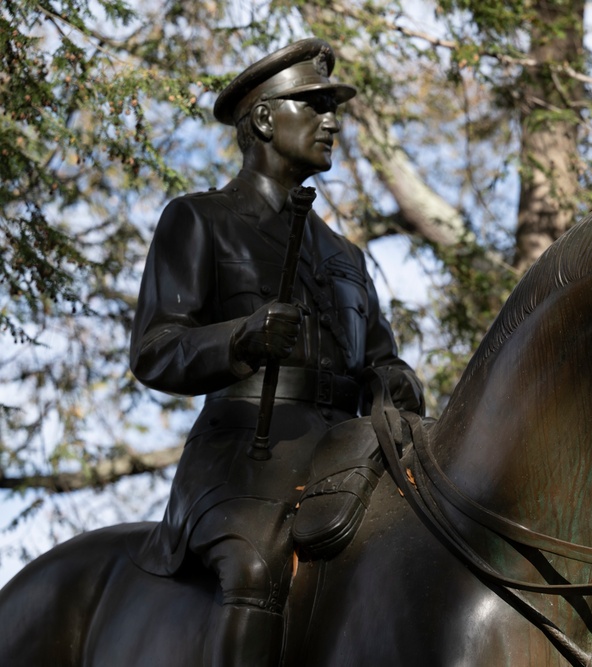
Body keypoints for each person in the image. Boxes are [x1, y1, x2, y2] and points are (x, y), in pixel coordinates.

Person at [128, 38, 424, 667]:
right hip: (241, 456)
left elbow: (381, 357)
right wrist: (242, 339)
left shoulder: (346, 256)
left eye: (334, 107)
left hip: (345, 453)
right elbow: (155, 349)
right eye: (313, 104)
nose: (332, 120)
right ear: (264, 118)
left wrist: (392, 382)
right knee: (258, 566)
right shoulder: (199, 220)